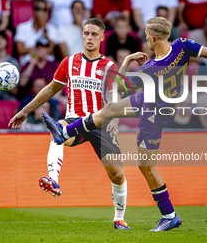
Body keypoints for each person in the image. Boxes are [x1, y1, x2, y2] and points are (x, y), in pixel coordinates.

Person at [42, 17, 207, 231]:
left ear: (152, 37)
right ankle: (169, 216)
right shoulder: (183, 45)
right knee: (146, 166)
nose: (146, 41)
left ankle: (64, 132)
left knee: (111, 110)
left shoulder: (148, 70)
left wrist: (125, 63)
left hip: (153, 110)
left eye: (146, 37)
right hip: (164, 108)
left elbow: (116, 89)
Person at [9, 18, 131, 230]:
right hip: (75, 119)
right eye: (86, 33)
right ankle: (53, 179)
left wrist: (115, 120)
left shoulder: (109, 66)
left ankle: (119, 218)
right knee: (58, 132)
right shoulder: (69, 62)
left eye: (94, 34)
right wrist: (25, 110)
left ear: (102, 37)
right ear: (82, 35)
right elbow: (50, 89)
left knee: (118, 175)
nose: (90, 37)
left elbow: (114, 96)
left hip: (99, 122)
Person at [14, 0, 58, 66]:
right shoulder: (22, 27)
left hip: (46, 65)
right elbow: (20, 49)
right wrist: (41, 50)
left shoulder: (52, 28)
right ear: (33, 10)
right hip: (27, 64)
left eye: (44, 9)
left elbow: (50, 50)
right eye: (39, 9)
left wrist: (44, 27)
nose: (41, 12)